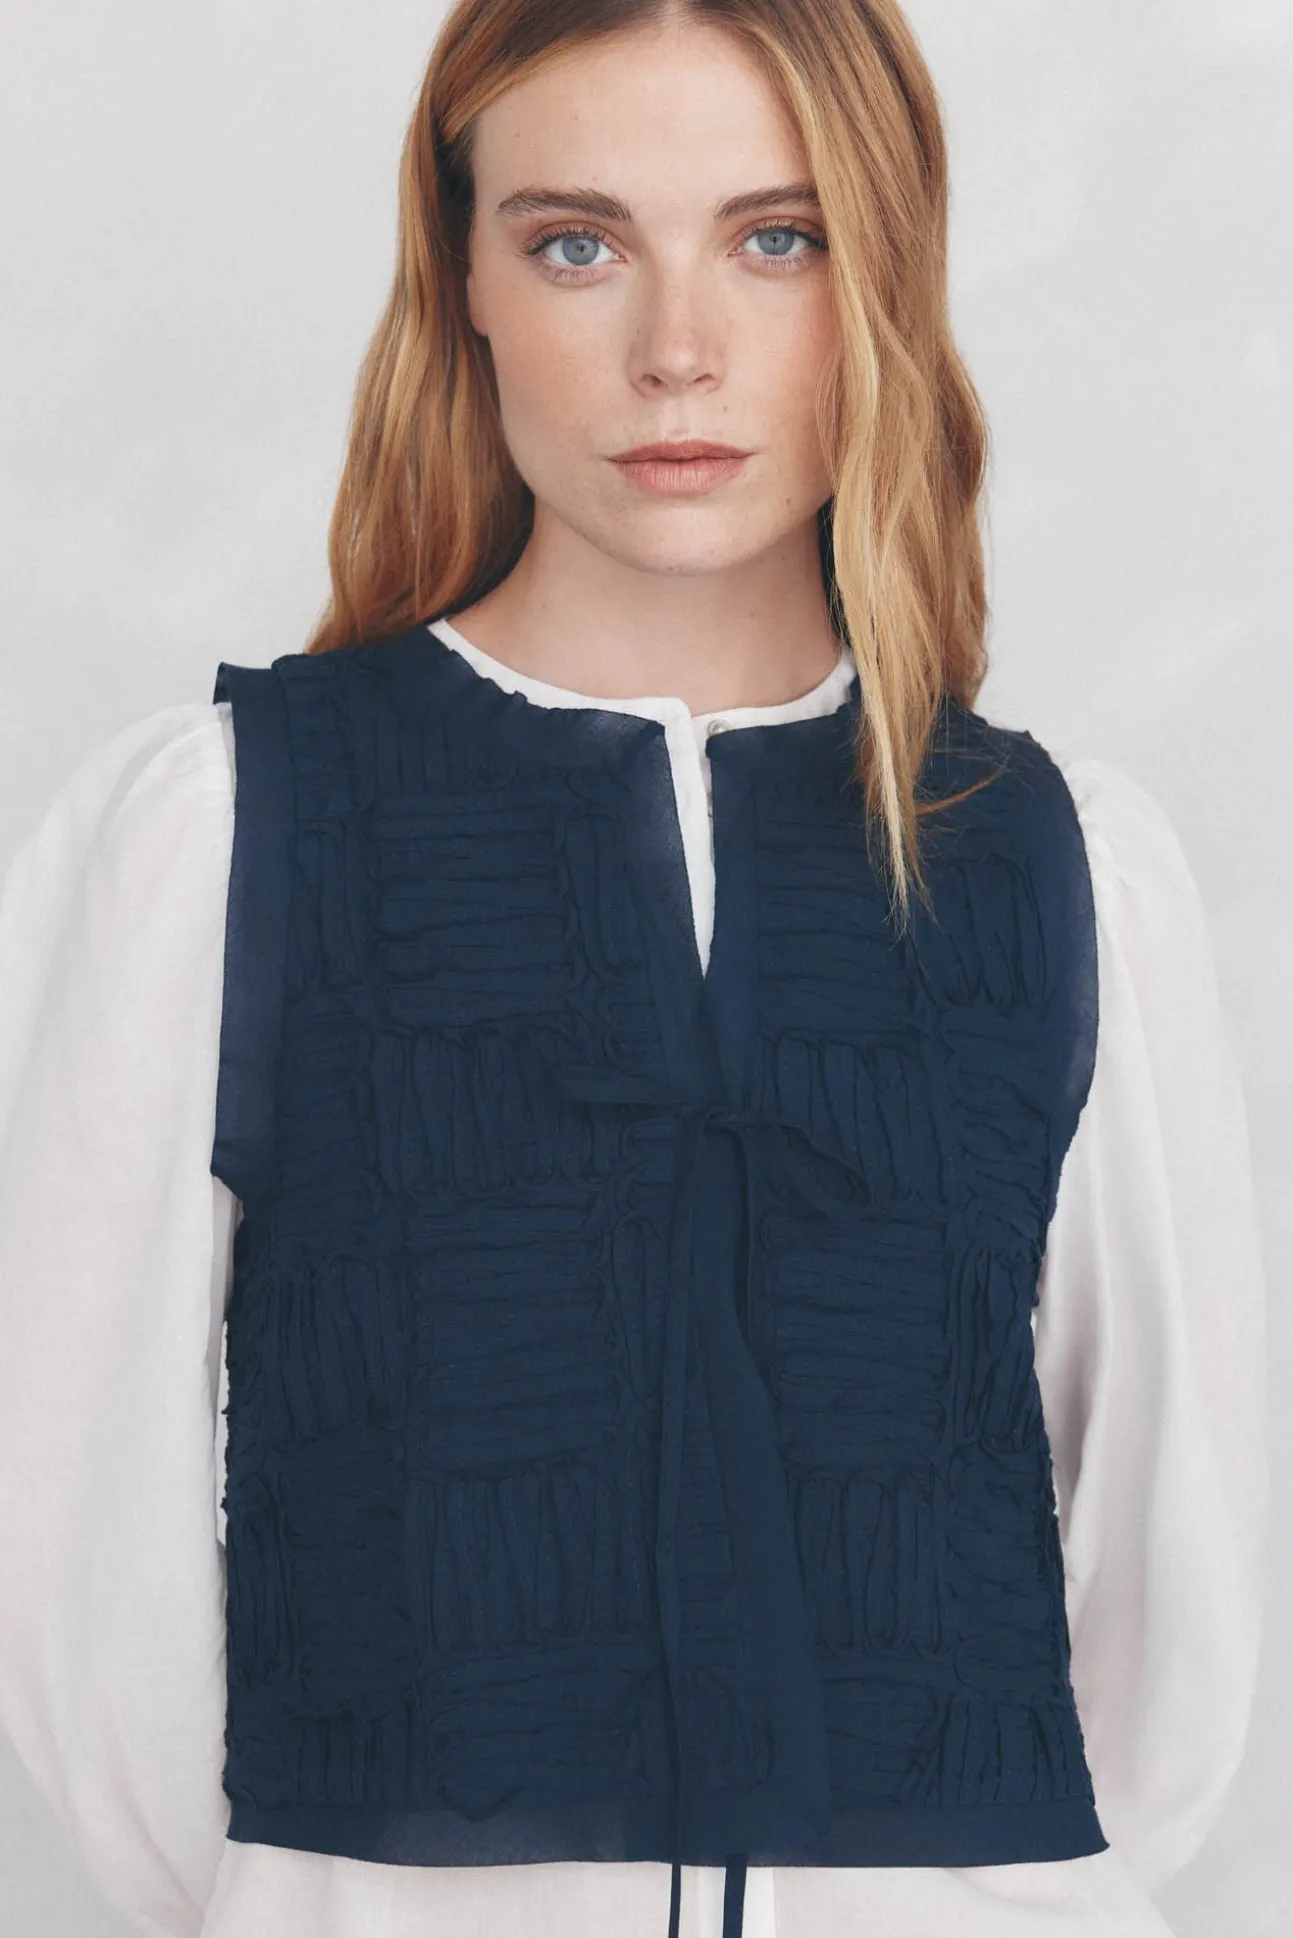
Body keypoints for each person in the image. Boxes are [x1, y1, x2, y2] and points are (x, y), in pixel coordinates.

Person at [0, 4, 1268, 1938]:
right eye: (579, 242)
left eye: (778, 237)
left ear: (883, 275)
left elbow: (1177, 1591)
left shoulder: (1059, 864)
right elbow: (77, 1555)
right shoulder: (230, 832)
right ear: (466, 282)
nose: (680, 348)